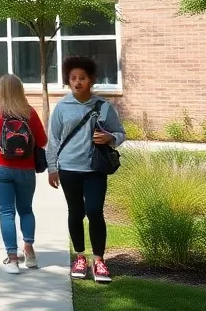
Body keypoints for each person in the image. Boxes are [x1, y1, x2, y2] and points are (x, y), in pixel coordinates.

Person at [47, 56, 126, 284]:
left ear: (91, 80)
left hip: (94, 169)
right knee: (75, 212)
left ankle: (99, 260)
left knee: (94, 212)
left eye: (82, 78)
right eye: (73, 78)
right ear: (68, 81)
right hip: (68, 168)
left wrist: (110, 137)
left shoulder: (103, 106)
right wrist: (53, 167)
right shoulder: (62, 107)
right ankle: (80, 257)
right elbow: (53, 140)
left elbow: (120, 134)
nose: (77, 82)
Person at [0, 74, 48, 275]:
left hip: (1, 166)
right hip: (26, 168)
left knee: (7, 212)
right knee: (26, 210)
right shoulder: (29, 113)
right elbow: (42, 141)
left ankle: (13, 258)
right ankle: (30, 251)